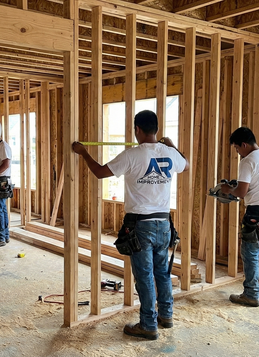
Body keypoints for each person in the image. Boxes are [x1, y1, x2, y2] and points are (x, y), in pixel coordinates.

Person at [72, 110, 189, 340]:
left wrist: (83, 152)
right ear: (156, 129)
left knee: (145, 277)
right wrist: (173, 145)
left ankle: (148, 325)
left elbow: (99, 172)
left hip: (141, 226)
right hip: (164, 224)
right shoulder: (169, 153)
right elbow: (186, 164)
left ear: (137, 130)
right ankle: (166, 316)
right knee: (162, 273)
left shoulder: (132, 155)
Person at [219, 127, 259, 308]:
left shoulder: (247, 161)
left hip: (258, 212)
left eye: (237, 149)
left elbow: (241, 191)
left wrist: (227, 189)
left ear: (244, 145)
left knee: (250, 252)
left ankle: (251, 294)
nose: (238, 153)